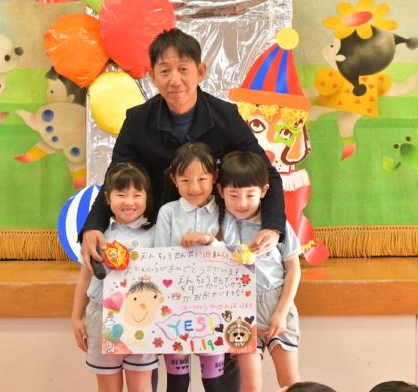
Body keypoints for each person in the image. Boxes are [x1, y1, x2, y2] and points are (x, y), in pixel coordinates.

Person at [78, 26, 286, 273]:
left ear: (200, 72)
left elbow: (267, 173)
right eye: (165, 71)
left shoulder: (226, 117)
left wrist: (273, 226)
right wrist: (92, 226)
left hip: (216, 230)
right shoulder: (137, 120)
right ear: (153, 77)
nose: (175, 80)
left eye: (183, 69)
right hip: (157, 232)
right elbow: (116, 178)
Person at [216, 151, 302, 392]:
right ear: (221, 191)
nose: (242, 203)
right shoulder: (219, 224)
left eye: (250, 195)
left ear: (264, 191)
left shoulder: (276, 226)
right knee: (251, 385)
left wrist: (281, 313)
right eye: (233, 195)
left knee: (291, 383)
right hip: (239, 310)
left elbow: (293, 269)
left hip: (276, 305)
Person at [72, 163, 158, 392]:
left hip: (141, 317)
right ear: (108, 198)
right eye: (121, 194)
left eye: (137, 195)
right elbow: (84, 279)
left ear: (147, 198)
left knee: (141, 387)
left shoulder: (156, 234)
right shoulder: (96, 236)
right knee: (108, 388)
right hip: (100, 317)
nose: (129, 202)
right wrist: (76, 317)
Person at [154, 142, 226, 392]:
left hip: (215, 309)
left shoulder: (226, 209)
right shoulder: (168, 212)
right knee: (177, 382)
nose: (194, 187)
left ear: (215, 176)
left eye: (202, 179)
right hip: (175, 310)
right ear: (174, 179)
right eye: (185, 180)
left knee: (215, 383)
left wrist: (210, 241)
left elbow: (237, 258)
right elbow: (159, 259)